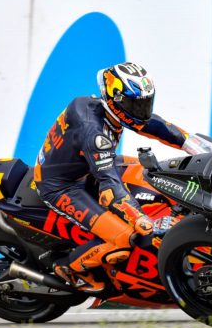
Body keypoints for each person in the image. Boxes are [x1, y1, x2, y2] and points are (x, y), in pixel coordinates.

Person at [34, 62, 188, 293]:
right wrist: (143, 222)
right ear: (115, 99)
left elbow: (163, 129)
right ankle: (68, 268)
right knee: (125, 238)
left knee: (152, 176)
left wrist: (198, 145)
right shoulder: (94, 133)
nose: (141, 110)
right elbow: (110, 189)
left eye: (145, 103)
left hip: (89, 167)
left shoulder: (108, 111)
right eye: (135, 104)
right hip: (62, 186)